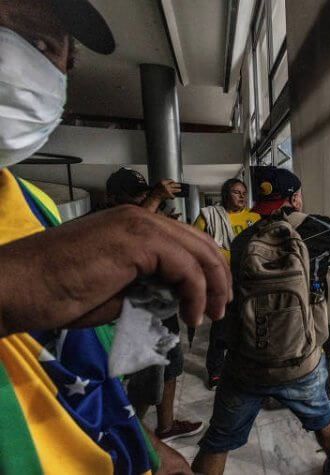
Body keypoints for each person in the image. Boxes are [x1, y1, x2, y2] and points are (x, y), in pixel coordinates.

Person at [0, 1, 231, 473]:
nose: (7, 57)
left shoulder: (33, 204)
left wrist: (143, 446)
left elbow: (72, 374)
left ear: (63, 73)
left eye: (41, 43)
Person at [192, 169, 330, 475]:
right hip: (299, 358)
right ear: (295, 197)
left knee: (218, 440)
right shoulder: (314, 226)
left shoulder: (244, 239)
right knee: (323, 419)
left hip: (246, 361)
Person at [106, 168, 204, 442]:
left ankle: (166, 426)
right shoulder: (104, 222)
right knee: (144, 378)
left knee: (171, 367)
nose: (141, 201)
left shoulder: (145, 215)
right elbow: (130, 236)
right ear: (113, 197)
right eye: (135, 197)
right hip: (135, 315)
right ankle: (130, 435)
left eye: (143, 195)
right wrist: (153, 201)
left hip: (161, 309)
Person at [193, 178, 260, 389]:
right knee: (220, 327)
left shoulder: (255, 217)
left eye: (244, 192)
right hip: (222, 280)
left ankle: (247, 367)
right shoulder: (210, 216)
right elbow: (194, 243)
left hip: (250, 279)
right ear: (225, 195)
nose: (242, 196)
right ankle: (216, 370)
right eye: (236, 192)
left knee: (250, 326)